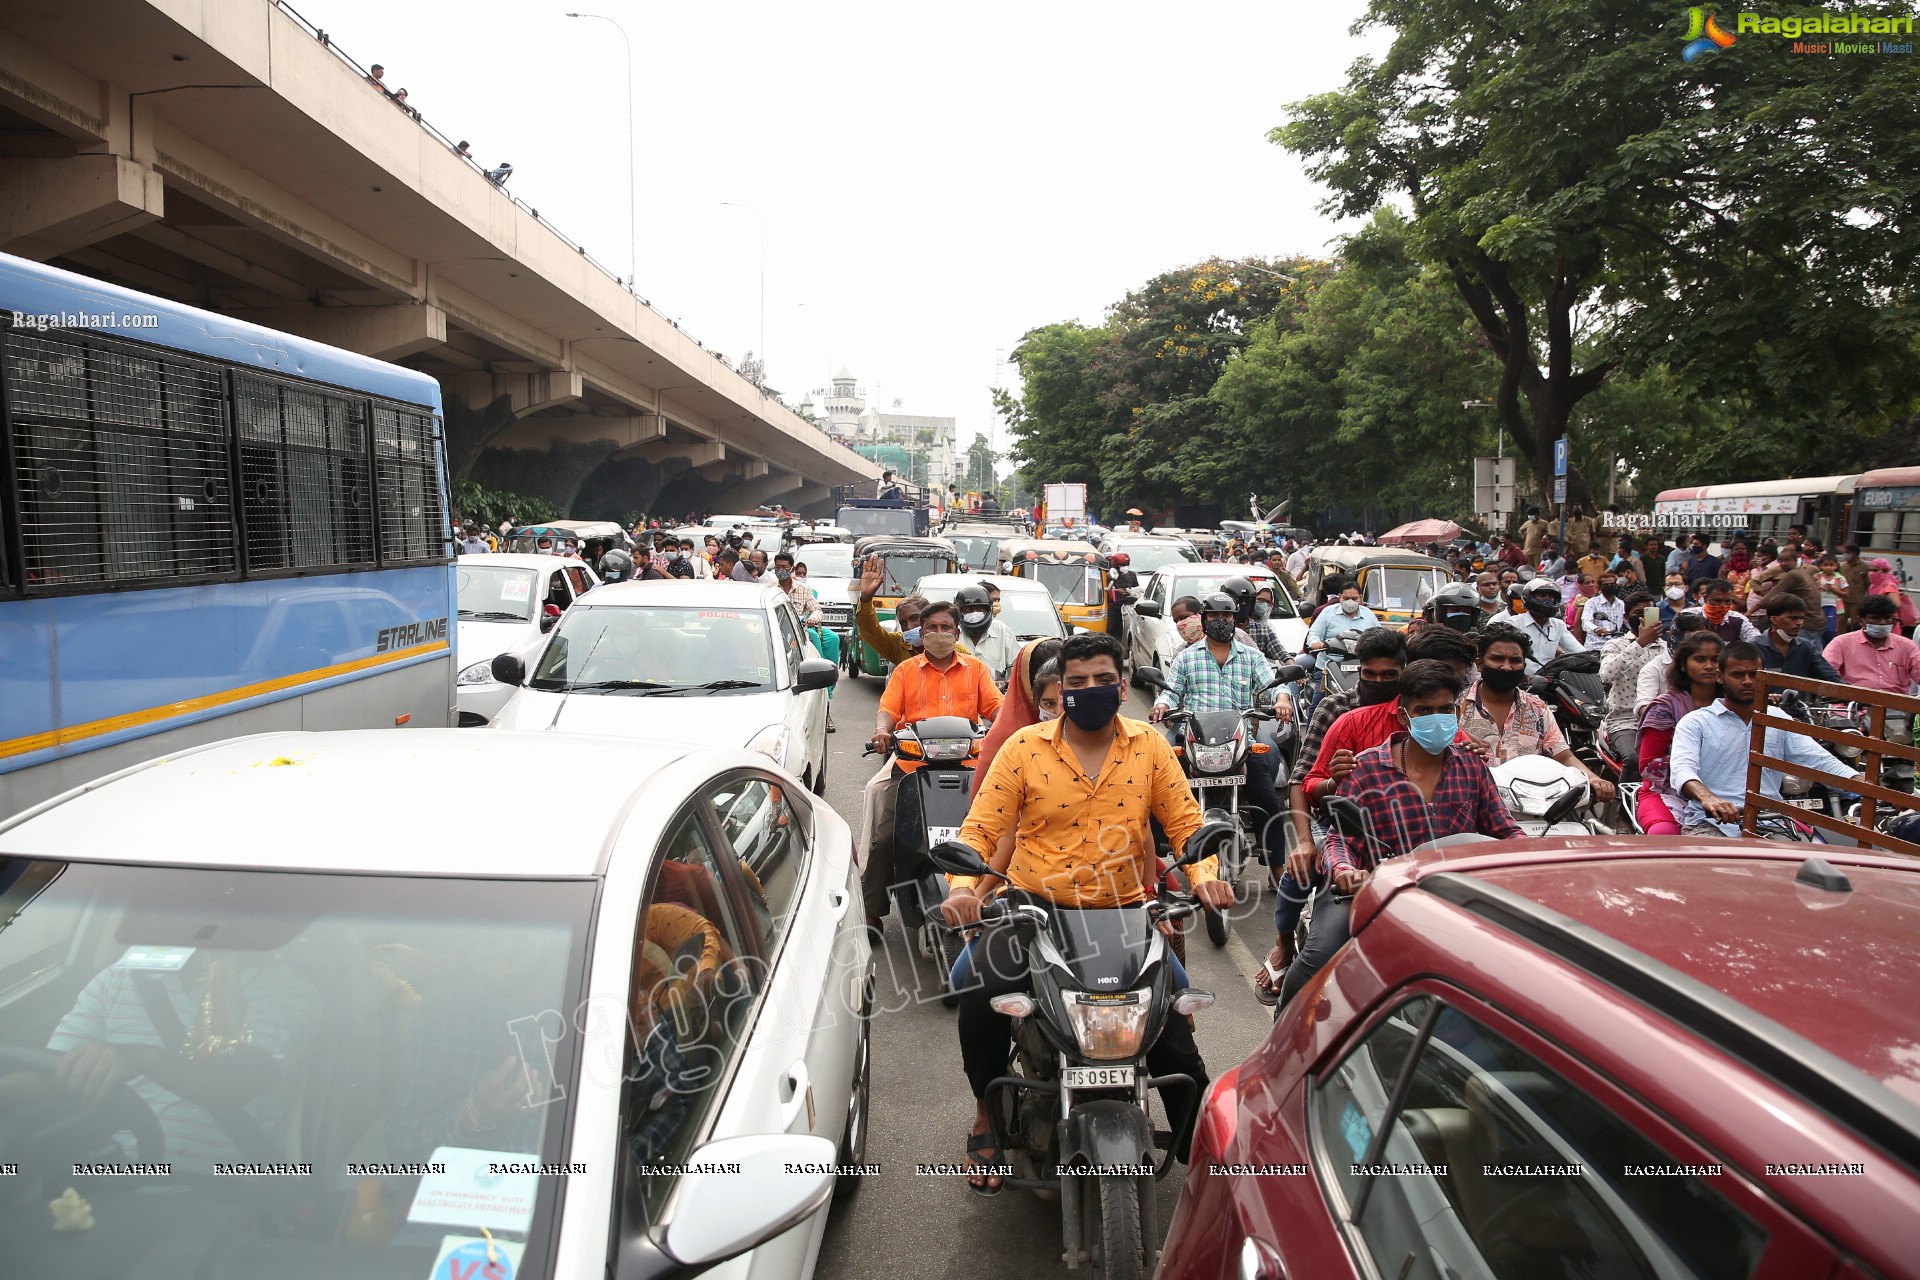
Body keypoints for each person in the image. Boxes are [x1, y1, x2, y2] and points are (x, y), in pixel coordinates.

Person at [940, 632, 1227, 1192]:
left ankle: (1211, 1157)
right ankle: (987, 1113)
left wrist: (1206, 880)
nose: (1089, 690)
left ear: (1123, 686)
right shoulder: (1023, 748)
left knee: (1171, 1029)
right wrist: (963, 888)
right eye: (1076, 683)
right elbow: (981, 829)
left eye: (1102, 680)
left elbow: (1187, 825)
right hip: (1030, 911)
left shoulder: (1150, 746)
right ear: (1059, 689)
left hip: (1123, 914)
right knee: (978, 1002)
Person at [1279, 660, 1522, 1007]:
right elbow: (1340, 839)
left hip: (1452, 893)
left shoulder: (1473, 767)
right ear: (1405, 716)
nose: (1436, 718)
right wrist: (1347, 872)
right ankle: (1282, 1028)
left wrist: (1532, 861)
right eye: (1424, 710)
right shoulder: (1365, 768)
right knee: (1322, 953)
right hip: (1372, 891)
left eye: (1444, 709)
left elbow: (1504, 829)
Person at [17, 946, 318, 1175]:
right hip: (116, 1177)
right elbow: (53, 1070)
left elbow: (236, 1082)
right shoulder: (116, 979)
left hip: (222, 1188)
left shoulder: (284, 989)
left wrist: (145, 1058)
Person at [1262, 628, 1406, 1004]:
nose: (1378, 683)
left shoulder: (1418, 714)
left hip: (1407, 832)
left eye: (1388, 676)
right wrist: (1306, 840)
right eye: (1369, 675)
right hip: (1341, 827)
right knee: (1302, 872)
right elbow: (1303, 779)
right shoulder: (1337, 711)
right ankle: (1283, 945)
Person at [862, 599, 1002, 938]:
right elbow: (888, 710)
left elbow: (996, 708)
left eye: (945, 628)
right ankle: (871, 910)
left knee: (998, 831)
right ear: (920, 634)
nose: (939, 634)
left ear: (957, 632)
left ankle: (999, 898)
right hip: (913, 766)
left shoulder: (976, 669)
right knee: (884, 836)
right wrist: (882, 730)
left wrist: (1008, 727)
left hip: (970, 767)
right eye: (931, 628)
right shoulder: (905, 671)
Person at [1671, 643, 1861, 837]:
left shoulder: (1777, 718)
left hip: (1771, 822)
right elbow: (1682, 769)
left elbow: (1818, 760)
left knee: (1806, 864)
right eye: (1738, 675)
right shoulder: (1696, 722)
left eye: (1755, 675)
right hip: (1711, 823)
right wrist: (1709, 799)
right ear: (1720, 677)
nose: (1747, 681)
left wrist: (1864, 784)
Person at [1150, 593, 1287, 861]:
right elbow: (1171, 691)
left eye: (1227, 616)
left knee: (1269, 801)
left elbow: (1273, 684)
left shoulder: (1252, 656)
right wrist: (1162, 705)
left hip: (1239, 739)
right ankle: (1155, 860)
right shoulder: (1187, 657)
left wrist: (1282, 699)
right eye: (1214, 615)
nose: (1220, 621)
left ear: (1235, 620)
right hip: (1193, 737)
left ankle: (1276, 865)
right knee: (1158, 786)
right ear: (1203, 619)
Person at [1460, 624, 1618, 803]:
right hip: (1474, 804)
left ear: (1524, 665)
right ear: (1480, 664)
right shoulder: (1456, 707)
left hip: (1532, 805)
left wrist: (1593, 778)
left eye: (1515, 660)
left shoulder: (1537, 708)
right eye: (1497, 659)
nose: (1506, 667)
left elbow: (1564, 756)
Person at [1635, 630, 1723, 835]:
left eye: (1716, 660)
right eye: (1700, 659)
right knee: (1664, 833)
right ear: (1683, 664)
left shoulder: (1733, 705)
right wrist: (1693, 768)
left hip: (1728, 790)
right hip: (1667, 791)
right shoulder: (1665, 708)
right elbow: (1648, 763)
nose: (1709, 666)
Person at [1598, 591, 1664, 771]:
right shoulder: (1615, 645)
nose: (1643, 617)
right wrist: (1640, 643)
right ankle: (1625, 798)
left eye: (1648, 612)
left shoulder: (1666, 649)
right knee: (1635, 759)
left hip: (1662, 721)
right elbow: (1606, 674)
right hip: (1625, 721)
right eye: (1638, 613)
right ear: (1626, 617)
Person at [1825, 593, 1920, 693]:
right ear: (1861, 621)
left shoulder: (1907, 646)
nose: (1882, 622)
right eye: (1876, 618)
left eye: (1887, 618)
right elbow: (1825, 675)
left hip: (1896, 705)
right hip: (1854, 704)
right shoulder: (1840, 644)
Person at [1754, 594, 1841, 683]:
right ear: (1774, 620)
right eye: (1793, 618)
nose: (1799, 623)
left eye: (1801, 618)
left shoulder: (1806, 647)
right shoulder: (1754, 648)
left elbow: (1831, 676)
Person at [1510, 577, 1582, 673]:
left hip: (1549, 681)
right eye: (1542, 595)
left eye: (1551, 596)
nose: (1547, 600)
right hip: (1519, 680)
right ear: (1528, 596)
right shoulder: (1514, 624)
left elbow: (1578, 651)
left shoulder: (1558, 625)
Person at [1304, 576, 1379, 664]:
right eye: (1346, 598)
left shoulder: (1369, 614)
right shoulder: (1328, 612)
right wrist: (1315, 643)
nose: (1350, 602)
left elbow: (1379, 636)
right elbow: (1314, 633)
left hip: (1362, 665)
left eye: (1354, 599)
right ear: (1340, 597)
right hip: (1329, 665)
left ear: (1360, 598)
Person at [955, 583, 1017, 684]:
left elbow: (1017, 666)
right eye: (969, 610)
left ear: (988, 609)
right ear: (960, 611)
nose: (975, 614)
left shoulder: (1002, 631)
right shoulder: (953, 634)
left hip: (996, 696)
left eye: (980, 609)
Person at [1681, 579, 1763, 645]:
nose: (1722, 605)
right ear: (1705, 599)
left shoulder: (1738, 619)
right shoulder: (1688, 615)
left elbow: (1756, 638)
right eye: (1717, 600)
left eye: (1727, 601)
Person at [1579, 569, 1626, 652]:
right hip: (1596, 647)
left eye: (1612, 584)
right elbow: (1585, 621)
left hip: (1615, 647)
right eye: (1606, 585)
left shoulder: (1621, 604)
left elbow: (1627, 621)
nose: (1609, 586)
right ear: (1600, 587)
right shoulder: (1592, 603)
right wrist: (1596, 629)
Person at [1814, 554, 1847, 643]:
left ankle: (1831, 645)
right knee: (1820, 629)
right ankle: (1822, 649)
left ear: (1836, 566)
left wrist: (1833, 589)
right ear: (1820, 566)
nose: (1828, 567)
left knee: (1830, 630)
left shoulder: (1840, 578)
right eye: (1825, 565)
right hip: (1819, 606)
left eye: (1831, 565)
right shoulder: (1817, 577)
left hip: (1833, 606)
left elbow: (1846, 594)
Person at [1840, 544, 1871, 631]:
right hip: (1842, 601)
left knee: (1856, 624)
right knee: (1840, 623)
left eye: (1847, 553)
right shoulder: (1842, 566)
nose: (1845, 555)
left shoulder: (1864, 567)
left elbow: (1868, 584)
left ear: (1854, 554)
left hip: (1856, 602)